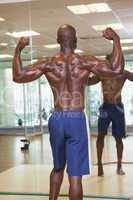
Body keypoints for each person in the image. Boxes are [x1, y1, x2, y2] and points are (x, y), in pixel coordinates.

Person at [12, 24, 123, 200]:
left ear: (57, 41)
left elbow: (18, 76)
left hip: (57, 119)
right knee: (75, 178)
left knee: (57, 168)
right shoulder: (85, 61)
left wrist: (18, 49)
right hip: (76, 118)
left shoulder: (48, 63)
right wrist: (116, 40)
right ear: (76, 41)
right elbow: (116, 69)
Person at [88, 54, 133, 177]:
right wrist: (84, 72)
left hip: (118, 108)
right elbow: (89, 82)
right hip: (105, 107)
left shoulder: (122, 73)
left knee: (118, 138)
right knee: (100, 136)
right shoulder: (102, 73)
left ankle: (119, 166)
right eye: (108, 63)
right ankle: (100, 165)